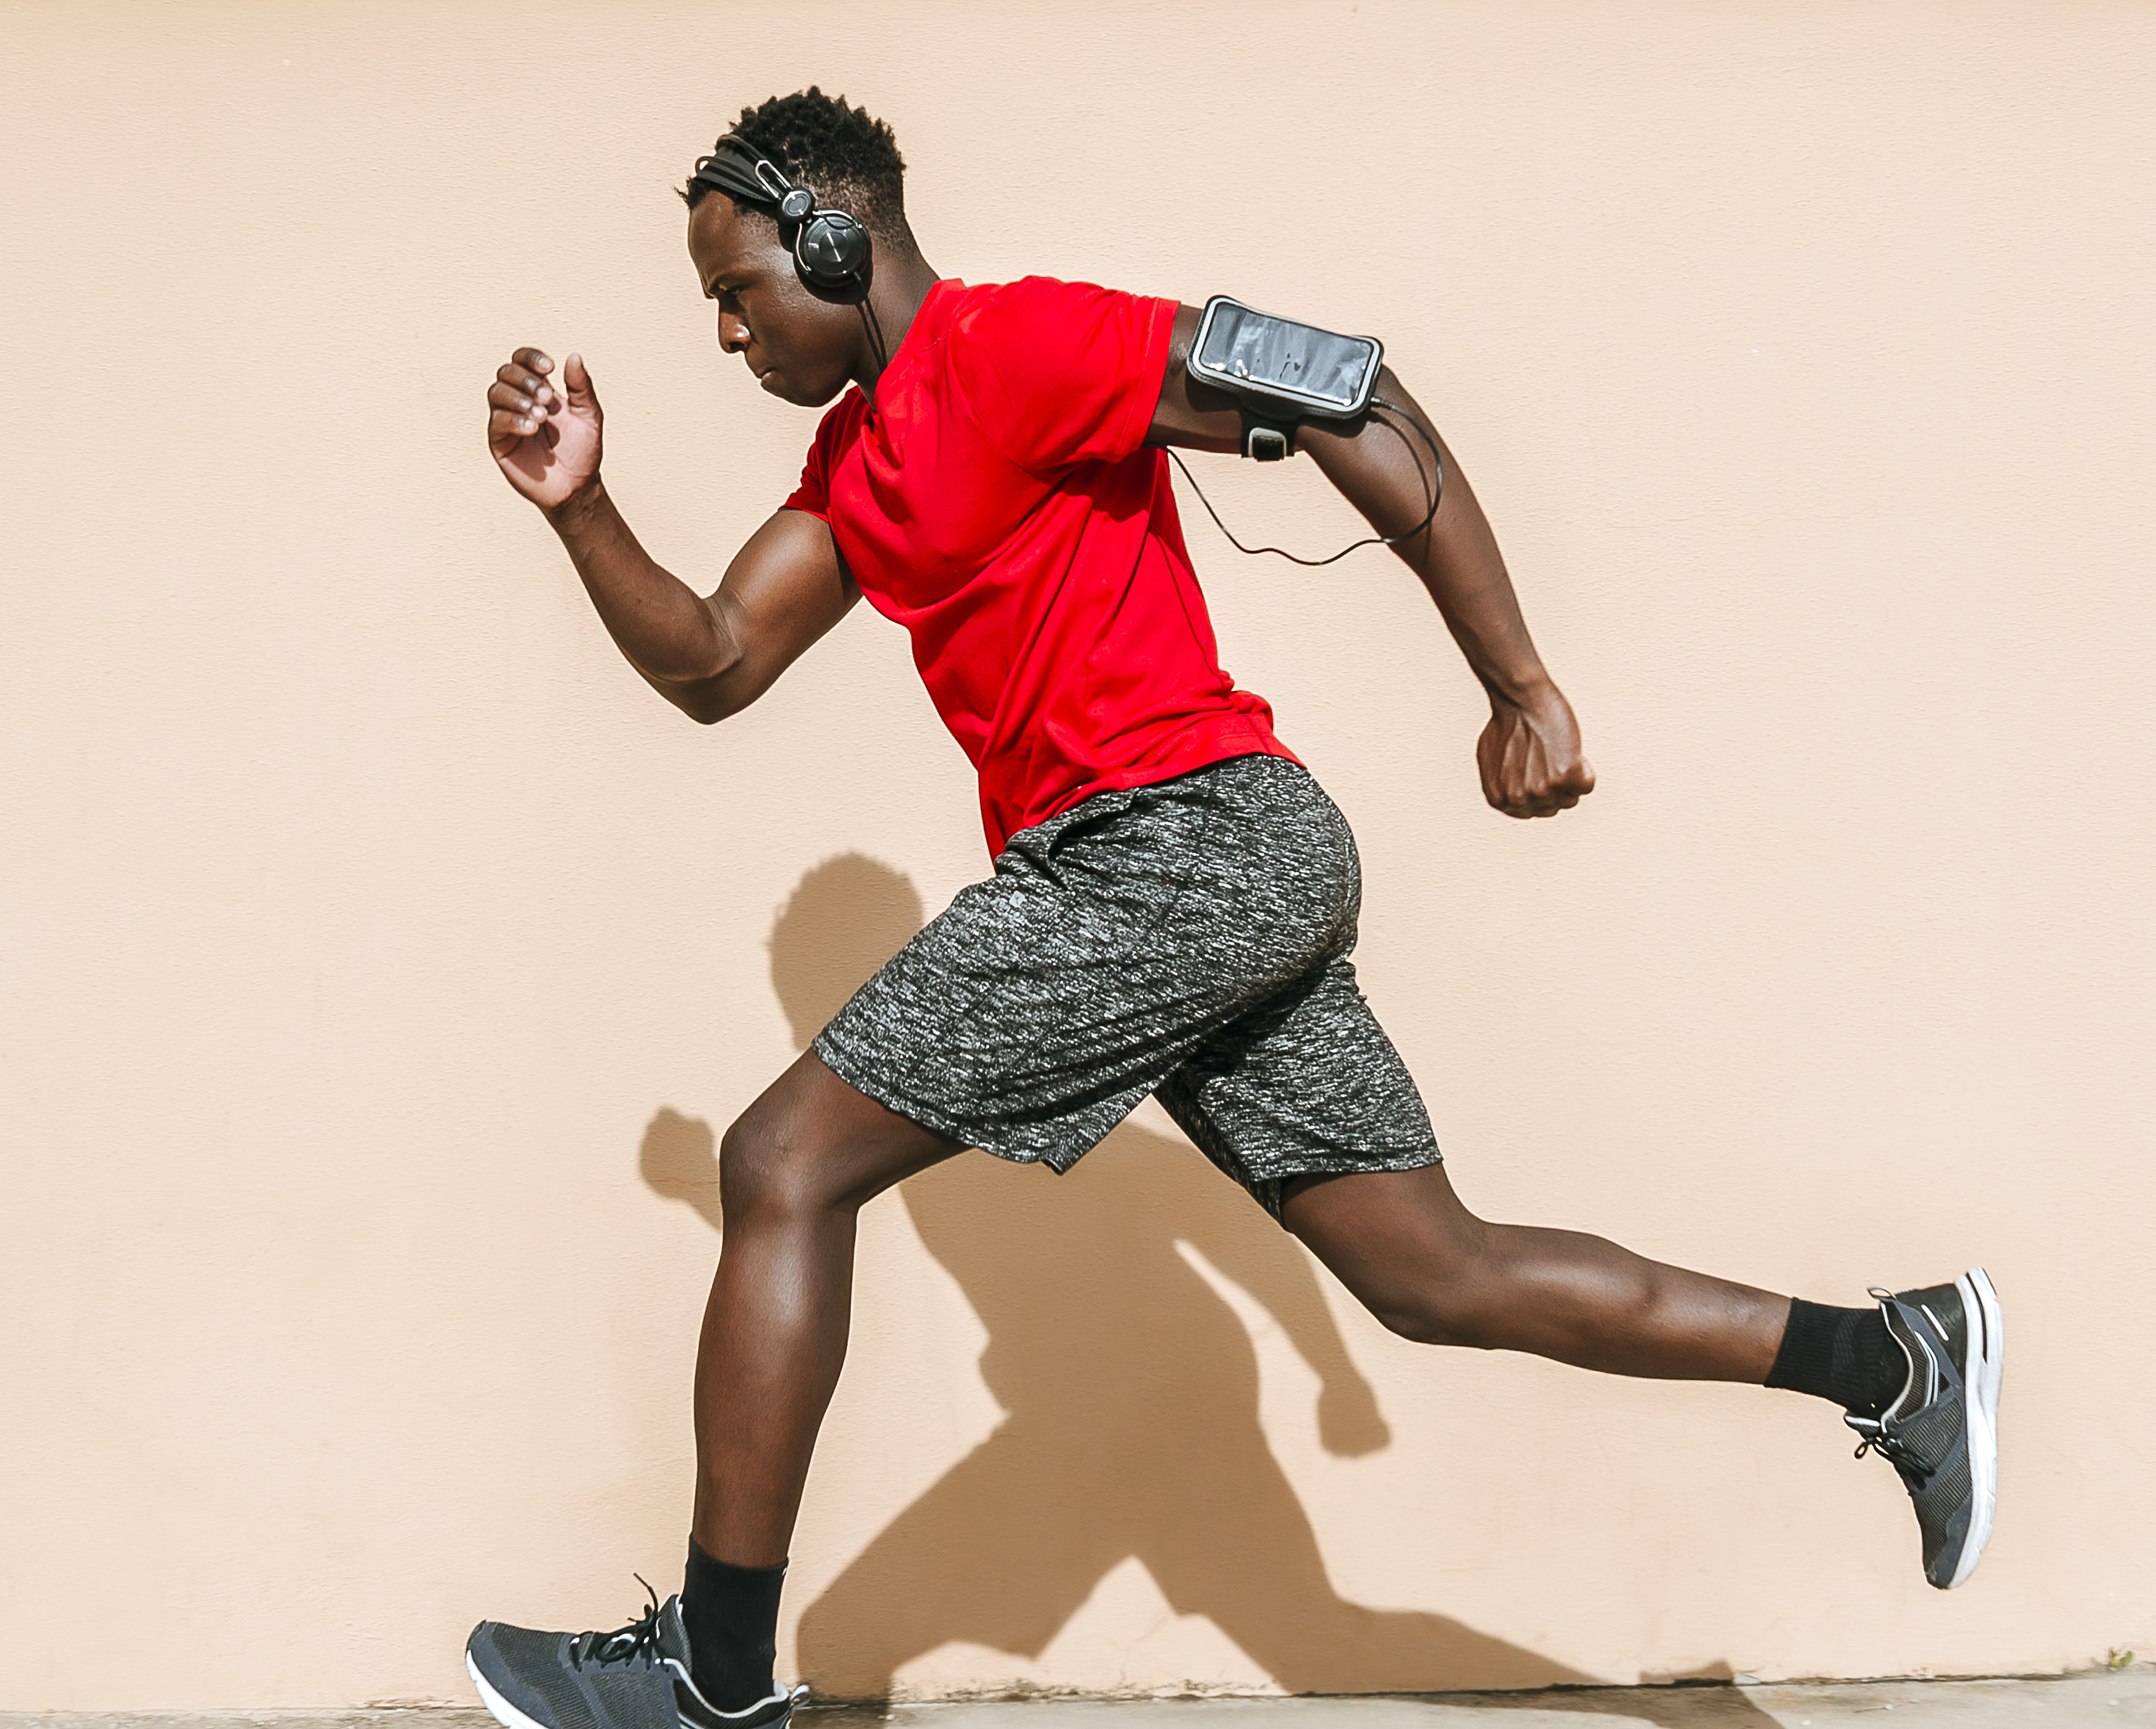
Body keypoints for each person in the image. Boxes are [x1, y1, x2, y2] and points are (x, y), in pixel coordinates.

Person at [462, 89, 1999, 1729]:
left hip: (1175, 843)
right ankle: (1891, 1357)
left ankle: (711, 1678)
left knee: (779, 1163)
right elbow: (712, 658)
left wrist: (1518, 680)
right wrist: (580, 506)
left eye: (740, 285)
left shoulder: (1018, 347)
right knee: (1438, 1275)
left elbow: (1340, 384)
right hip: (1198, 872)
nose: (723, 329)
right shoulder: (859, 462)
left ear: (834, 241)